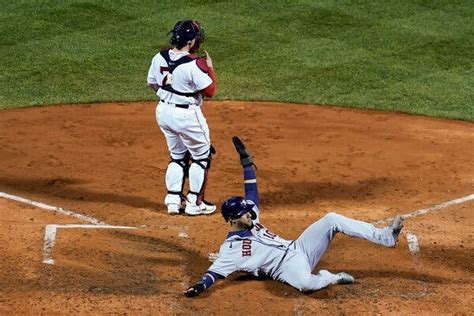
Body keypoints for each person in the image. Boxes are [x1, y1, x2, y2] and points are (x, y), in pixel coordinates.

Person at [184, 136, 404, 296]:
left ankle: (386, 236)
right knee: (306, 284)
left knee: (331, 219)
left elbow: (251, 193)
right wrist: (200, 286)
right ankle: (331, 277)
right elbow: (213, 273)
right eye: (243, 213)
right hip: (284, 268)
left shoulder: (251, 218)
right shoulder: (230, 251)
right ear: (232, 220)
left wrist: (247, 164)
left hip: (299, 248)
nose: (249, 213)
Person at [147, 20, 217, 216]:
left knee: (177, 156)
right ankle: (195, 202)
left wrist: (170, 94)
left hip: (163, 111)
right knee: (201, 157)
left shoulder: (159, 57)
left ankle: (173, 201)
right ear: (192, 41)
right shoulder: (193, 64)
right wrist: (210, 67)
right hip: (186, 115)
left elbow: (151, 83)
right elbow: (211, 91)